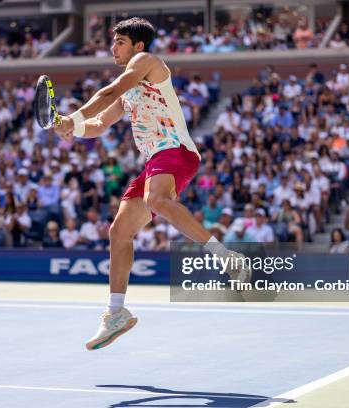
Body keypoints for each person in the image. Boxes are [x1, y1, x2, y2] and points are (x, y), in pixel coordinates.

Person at [54, 17, 250, 350]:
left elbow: (110, 90)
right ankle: (116, 312)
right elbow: (101, 123)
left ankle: (225, 256)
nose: (112, 47)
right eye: (113, 42)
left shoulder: (147, 62)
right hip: (155, 162)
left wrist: (72, 117)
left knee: (157, 200)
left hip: (176, 150)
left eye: (119, 42)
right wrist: (73, 129)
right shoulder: (129, 91)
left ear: (138, 46)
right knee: (119, 232)